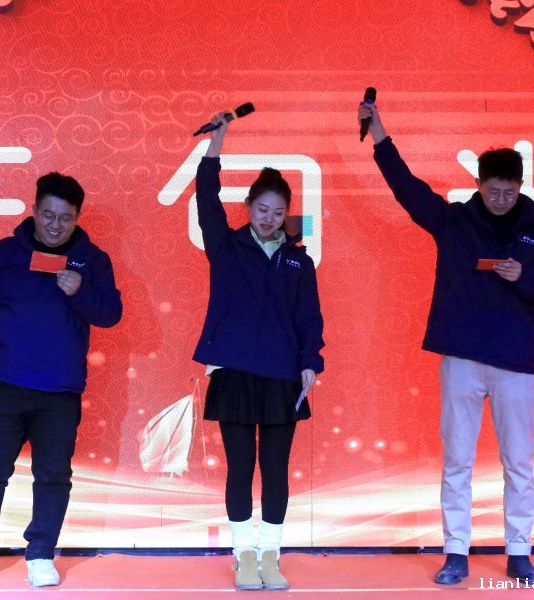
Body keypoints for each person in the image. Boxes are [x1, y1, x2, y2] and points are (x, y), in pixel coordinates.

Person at [358, 102, 534, 585]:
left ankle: (519, 553)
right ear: (478, 184)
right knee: (457, 459)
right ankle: (456, 552)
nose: (501, 199)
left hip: (514, 361)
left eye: (510, 191)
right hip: (462, 357)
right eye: (493, 190)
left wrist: (523, 278)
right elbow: (407, 190)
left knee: (519, 461)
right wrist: (380, 135)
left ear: (521, 186)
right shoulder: (453, 221)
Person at [0, 172, 122, 588]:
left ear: (77, 217)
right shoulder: (5, 253)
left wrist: (80, 292)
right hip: (5, 385)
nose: (56, 225)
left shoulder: (92, 260)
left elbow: (110, 314)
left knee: (53, 477)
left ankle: (41, 554)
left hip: (60, 392)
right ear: (34, 210)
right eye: (48, 215)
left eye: (66, 218)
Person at [193, 114, 325, 590]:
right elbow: (206, 196)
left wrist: (310, 363)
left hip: (281, 377)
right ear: (248, 206)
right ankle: (243, 556)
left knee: (275, 471)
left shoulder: (298, 260)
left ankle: (271, 555)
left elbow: (310, 318)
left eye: (277, 211)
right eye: (262, 208)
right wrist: (217, 143)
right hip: (233, 372)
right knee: (240, 469)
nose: (268, 218)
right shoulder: (225, 246)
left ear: (286, 214)